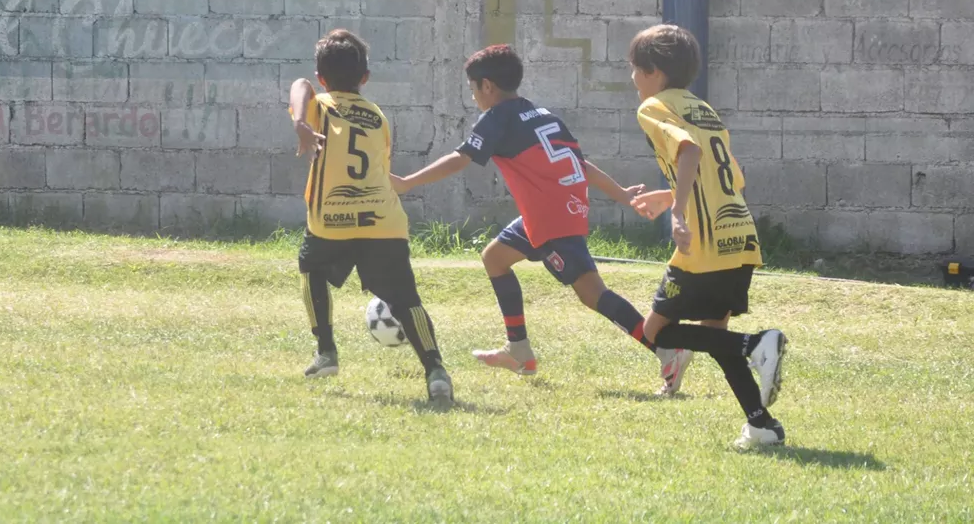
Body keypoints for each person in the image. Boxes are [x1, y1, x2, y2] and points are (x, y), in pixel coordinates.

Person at [391, 44, 692, 394]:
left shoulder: (497, 117)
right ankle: (519, 349)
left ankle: (666, 351)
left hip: (550, 219)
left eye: (473, 89)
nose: (473, 97)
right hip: (554, 210)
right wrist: (621, 194)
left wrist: (408, 182)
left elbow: (461, 158)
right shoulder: (542, 114)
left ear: (487, 86)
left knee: (592, 294)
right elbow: (582, 164)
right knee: (495, 257)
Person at [626, 24, 787, 448]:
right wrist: (669, 195)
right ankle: (761, 425)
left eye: (635, 69)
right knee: (716, 336)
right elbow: (732, 175)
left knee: (657, 332)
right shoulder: (702, 108)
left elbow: (690, 153)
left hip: (703, 244)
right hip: (740, 236)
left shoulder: (654, 107)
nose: (632, 79)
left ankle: (758, 343)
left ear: (654, 71)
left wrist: (676, 212)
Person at [289, 29, 453, 405]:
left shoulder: (320, 105)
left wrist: (301, 122)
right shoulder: (378, 117)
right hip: (384, 219)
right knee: (406, 300)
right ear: (365, 78)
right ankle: (436, 372)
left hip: (330, 221)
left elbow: (298, 85)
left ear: (321, 78)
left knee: (311, 267)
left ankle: (326, 351)